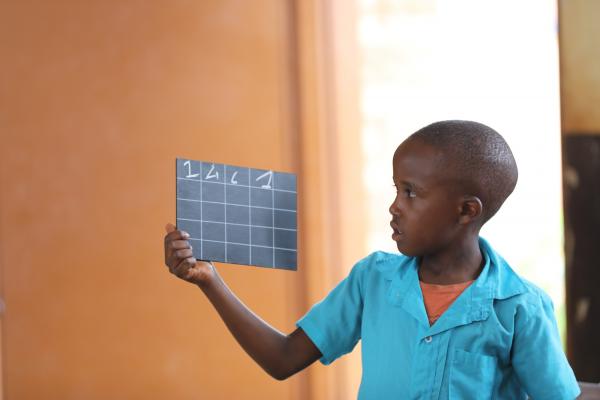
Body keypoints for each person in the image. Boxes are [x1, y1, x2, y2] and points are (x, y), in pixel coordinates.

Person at [163, 120, 580, 399]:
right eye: (395, 189)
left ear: (467, 210)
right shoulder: (372, 281)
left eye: (410, 192)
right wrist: (210, 280)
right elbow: (282, 360)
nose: (394, 207)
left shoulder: (520, 307)